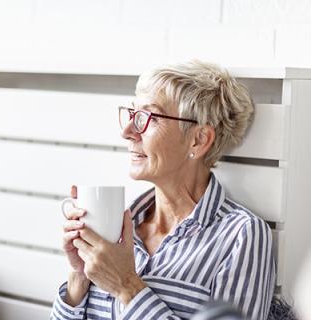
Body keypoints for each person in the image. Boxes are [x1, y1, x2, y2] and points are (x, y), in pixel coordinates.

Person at [50, 60, 276, 320]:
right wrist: (79, 277)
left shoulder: (241, 235)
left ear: (199, 139)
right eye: (132, 114)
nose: (127, 131)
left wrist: (127, 286)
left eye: (148, 117)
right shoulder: (117, 226)